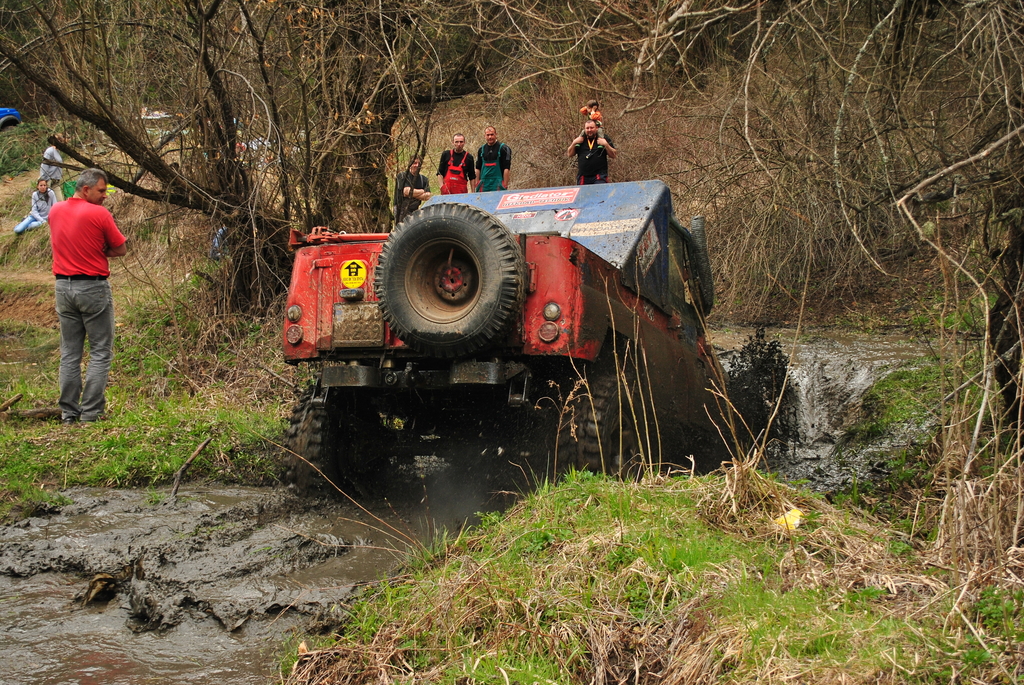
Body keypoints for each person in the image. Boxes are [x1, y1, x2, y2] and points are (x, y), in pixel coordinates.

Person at [48, 168, 127, 425]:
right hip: (92, 288)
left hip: (63, 288)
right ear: (86, 189)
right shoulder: (99, 213)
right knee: (100, 351)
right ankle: (91, 413)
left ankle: (69, 413)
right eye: (101, 191)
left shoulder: (56, 210)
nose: (105, 196)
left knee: (70, 352)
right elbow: (121, 248)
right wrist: (100, 251)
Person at [567, 120, 617, 184]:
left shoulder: (603, 138)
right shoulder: (580, 140)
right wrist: (574, 143)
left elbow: (613, 155)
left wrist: (606, 144)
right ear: (584, 129)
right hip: (583, 176)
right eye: (587, 128)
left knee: (599, 193)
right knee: (583, 194)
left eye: (591, 128)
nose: (589, 130)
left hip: (599, 175)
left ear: (596, 128)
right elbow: (570, 154)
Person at [394, 157, 431, 225]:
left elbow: (428, 196)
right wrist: (422, 191)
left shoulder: (424, 179)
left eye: (418, 163)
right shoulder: (402, 176)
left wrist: (413, 193)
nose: (417, 165)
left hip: (415, 210)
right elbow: (406, 192)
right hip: (401, 210)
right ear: (410, 164)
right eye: (414, 163)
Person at [475, 126, 511, 192]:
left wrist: (505, 185)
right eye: (488, 135)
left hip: (498, 184)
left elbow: (507, 168)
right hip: (484, 184)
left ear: (496, 134)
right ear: (484, 136)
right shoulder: (481, 150)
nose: (490, 137)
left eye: (492, 134)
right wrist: (477, 183)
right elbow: (477, 168)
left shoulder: (504, 148)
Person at [40, 135, 66, 201]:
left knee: (60, 201)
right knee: (46, 201)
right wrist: (44, 180)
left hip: (56, 180)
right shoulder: (50, 151)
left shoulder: (57, 151)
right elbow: (44, 165)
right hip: (48, 179)